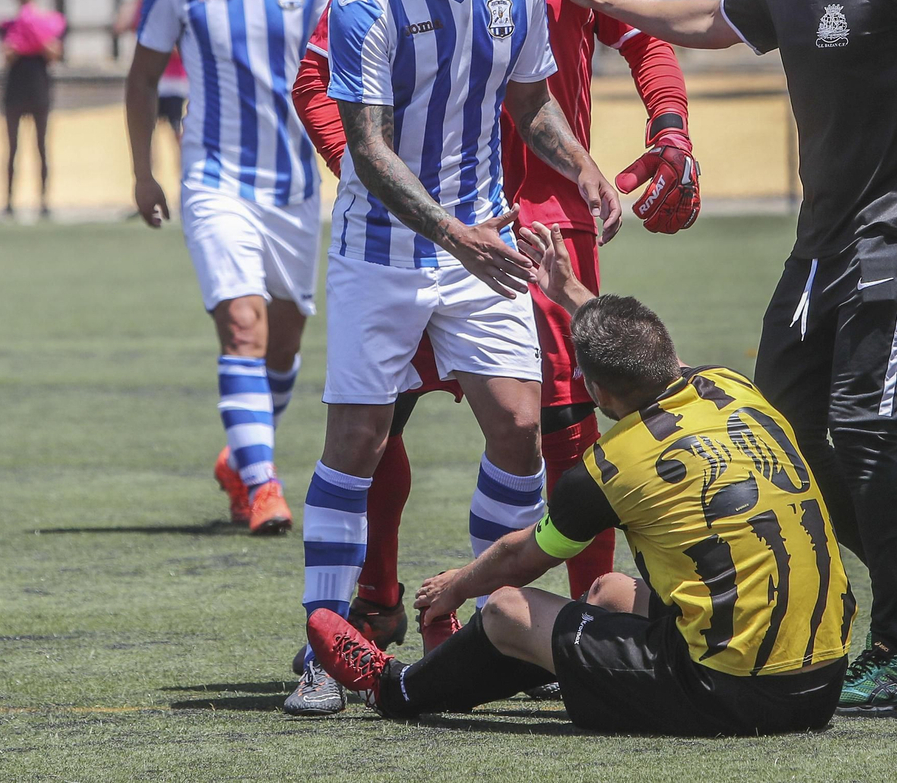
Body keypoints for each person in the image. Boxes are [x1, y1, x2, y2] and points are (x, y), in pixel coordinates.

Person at [541, 0, 897, 711]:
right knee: (781, 427)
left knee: (865, 430)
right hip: (821, 238)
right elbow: (713, 19)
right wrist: (602, 1)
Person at [290, 0, 693, 654]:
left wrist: (593, 166)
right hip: (393, 244)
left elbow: (541, 95)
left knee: (534, 425)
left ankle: (488, 627)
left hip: (504, 239)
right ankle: (335, 631)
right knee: (363, 436)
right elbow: (352, 131)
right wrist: (433, 222)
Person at [304, 221, 852, 736]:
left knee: (505, 610)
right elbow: (641, 354)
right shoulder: (732, 387)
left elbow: (522, 561)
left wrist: (458, 586)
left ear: (597, 393)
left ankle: (393, 687)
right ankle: (553, 666)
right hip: (822, 684)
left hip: (726, 694)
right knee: (609, 592)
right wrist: (568, 289)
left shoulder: (614, 463)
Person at [125, 0, 341, 536]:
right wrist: (144, 174)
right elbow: (143, 78)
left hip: (294, 187)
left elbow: (353, 66)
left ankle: (237, 461)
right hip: (214, 181)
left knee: (284, 346)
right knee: (242, 327)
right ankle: (264, 487)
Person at [0, 0, 65, 217]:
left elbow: (54, 53)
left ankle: (44, 201)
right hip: (17, 87)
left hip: (38, 86)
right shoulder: (9, 25)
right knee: (12, 147)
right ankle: (8, 201)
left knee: (41, 146)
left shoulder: (45, 23)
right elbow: (6, 55)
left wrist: (35, 36)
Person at [114, 0, 191, 139]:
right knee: (146, 132)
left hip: (173, 79)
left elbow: (179, 45)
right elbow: (119, 26)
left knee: (177, 129)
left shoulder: (174, 1)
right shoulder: (141, 3)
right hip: (148, 78)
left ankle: (180, 168)